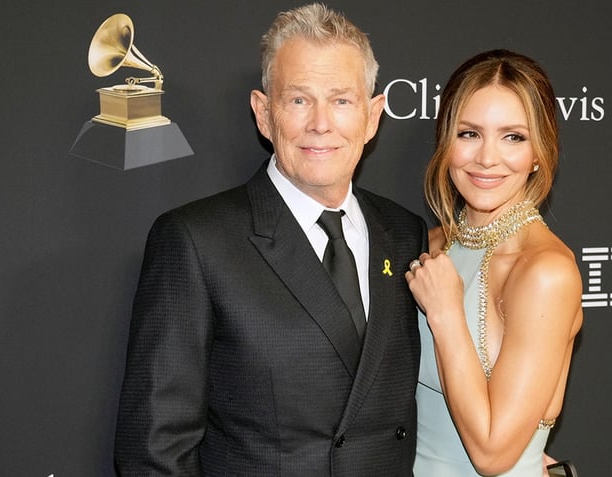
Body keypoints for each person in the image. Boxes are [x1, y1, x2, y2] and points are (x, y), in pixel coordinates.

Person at [114, 4, 427, 475]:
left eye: (341, 100)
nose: (321, 123)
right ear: (264, 113)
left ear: (372, 115)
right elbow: (155, 451)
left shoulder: (405, 233)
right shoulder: (197, 241)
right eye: (299, 100)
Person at [406, 49, 583, 476]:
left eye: (513, 137)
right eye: (469, 133)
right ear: (446, 140)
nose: (487, 158)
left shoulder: (545, 272)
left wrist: (447, 312)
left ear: (539, 151)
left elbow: (492, 454)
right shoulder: (427, 245)